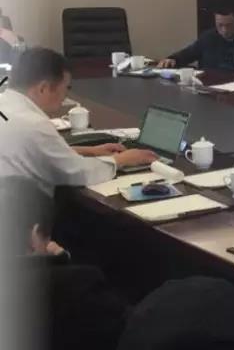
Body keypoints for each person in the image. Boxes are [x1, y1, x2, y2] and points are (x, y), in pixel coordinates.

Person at [0, 48, 158, 196]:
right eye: (66, 88)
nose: (65, 96)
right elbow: (77, 173)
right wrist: (122, 160)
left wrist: (89, 151)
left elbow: (34, 152)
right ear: (43, 88)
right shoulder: (35, 124)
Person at [1, 186, 131, 350]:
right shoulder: (77, 285)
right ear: (34, 234)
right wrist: (62, 265)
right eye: (47, 237)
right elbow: (131, 329)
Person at [156, 7, 234, 71]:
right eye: (220, 25)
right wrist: (173, 59)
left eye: (228, 25)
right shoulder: (209, 37)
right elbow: (188, 53)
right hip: (211, 88)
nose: (224, 30)